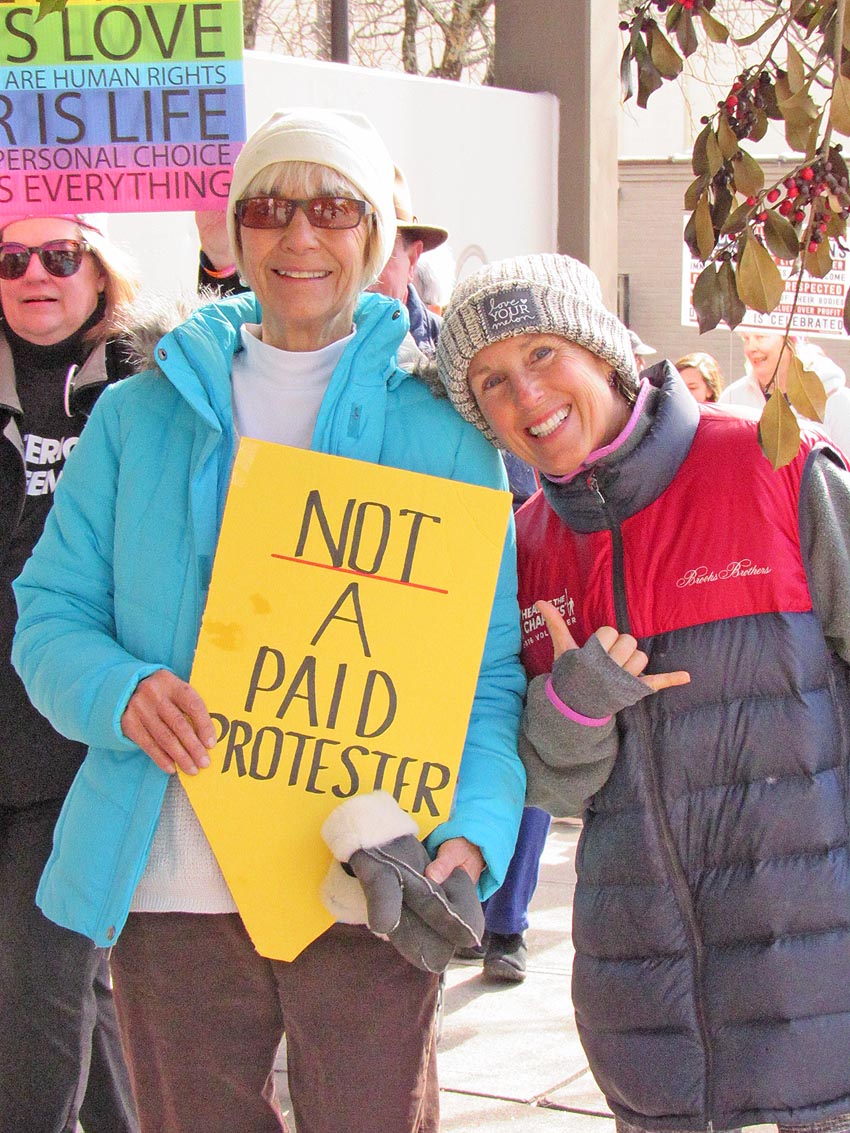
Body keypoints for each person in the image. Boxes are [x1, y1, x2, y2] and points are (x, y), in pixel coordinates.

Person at [12, 108, 526, 1133]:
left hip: (363, 873)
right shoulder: (133, 417)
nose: (299, 236)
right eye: (270, 207)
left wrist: (469, 834)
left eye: (333, 209)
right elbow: (49, 616)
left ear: (375, 234)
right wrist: (118, 689)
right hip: (172, 880)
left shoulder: (442, 429)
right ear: (236, 232)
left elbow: (489, 670)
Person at [435, 251, 850, 1133]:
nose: (526, 395)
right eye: (492, 381)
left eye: (543, 353)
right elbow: (545, 788)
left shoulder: (771, 465)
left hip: (821, 972)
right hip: (648, 994)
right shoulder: (527, 546)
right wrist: (575, 705)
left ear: (606, 352)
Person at [0, 213, 140, 1133]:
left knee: (36, 992)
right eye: (10, 258)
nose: (34, 274)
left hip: (91, 749)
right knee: (71, 994)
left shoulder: (153, 384)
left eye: (61, 255)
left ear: (102, 269)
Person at [721, 329, 850, 455]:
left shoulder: (838, 401)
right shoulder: (732, 399)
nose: (751, 348)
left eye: (760, 337)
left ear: (789, 341)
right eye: (746, 338)